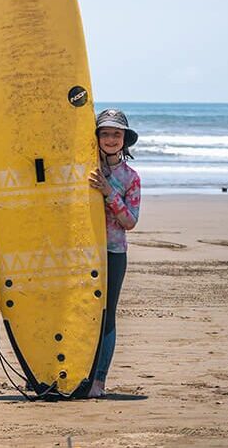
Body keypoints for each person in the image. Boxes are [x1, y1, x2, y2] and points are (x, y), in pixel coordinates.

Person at [87, 108, 140, 398]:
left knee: (107, 316)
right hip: (82, 251)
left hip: (113, 252)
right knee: (81, 312)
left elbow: (130, 221)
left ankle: (99, 381)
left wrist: (109, 192)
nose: (110, 139)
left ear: (124, 140)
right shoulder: (84, 168)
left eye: (115, 134)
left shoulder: (131, 178)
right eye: (104, 133)